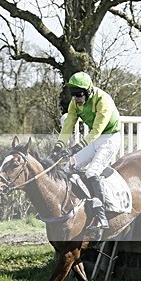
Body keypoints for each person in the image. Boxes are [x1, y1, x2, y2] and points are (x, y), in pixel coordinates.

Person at [52, 71, 121, 231]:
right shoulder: (74, 103)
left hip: (109, 138)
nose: (76, 98)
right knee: (67, 168)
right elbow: (68, 124)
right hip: (94, 139)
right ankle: (72, 207)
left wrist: (76, 148)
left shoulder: (103, 100)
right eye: (73, 94)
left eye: (79, 94)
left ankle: (101, 216)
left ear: (88, 91)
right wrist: (58, 147)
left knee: (91, 173)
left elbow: (97, 130)